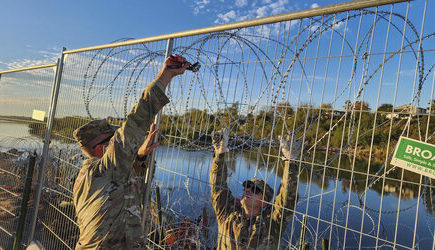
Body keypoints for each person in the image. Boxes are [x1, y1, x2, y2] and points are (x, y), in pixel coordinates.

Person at [72, 55, 190, 249]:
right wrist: (165, 75)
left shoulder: (89, 174)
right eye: (113, 140)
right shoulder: (107, 168)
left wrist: (141, 155)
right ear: (102, 149)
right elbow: (136, 120)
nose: (118, 142)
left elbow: (120, 186)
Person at [209, 128, 300, 249]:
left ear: (264, 202)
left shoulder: (271, 224)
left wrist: (290, 161)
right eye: (247, 187)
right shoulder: (227, 214)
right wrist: (220, 154)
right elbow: (217, 187)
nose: (248, 190)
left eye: (255, 190)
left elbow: (286, 201)